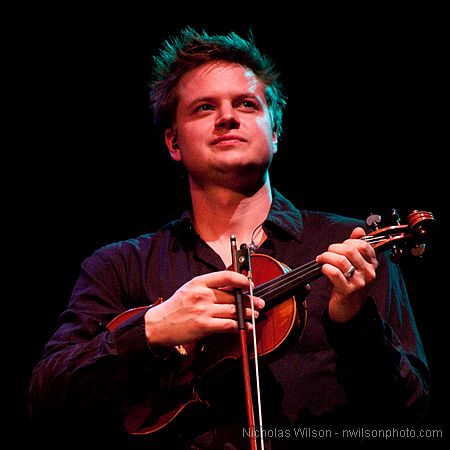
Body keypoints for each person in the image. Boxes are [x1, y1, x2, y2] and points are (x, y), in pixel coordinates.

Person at [28, 27, 430, 449]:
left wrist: (355, 323)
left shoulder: (350, 247)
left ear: (274, 131)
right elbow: (47, 400)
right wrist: (152, 329)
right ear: (173, 142)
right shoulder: (121, 266)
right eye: (204, 108)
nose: (227, 117)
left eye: (246, 104)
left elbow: (410, 414)